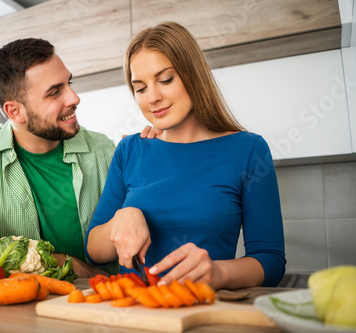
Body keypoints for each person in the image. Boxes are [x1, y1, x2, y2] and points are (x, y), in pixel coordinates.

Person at [85, 22, 286, 289]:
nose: (152, 97)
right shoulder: (130, 149)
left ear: (193, 75)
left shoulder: (248, 150)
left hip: (202, 312)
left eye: (165, 80)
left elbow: (270, 261)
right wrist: (122, 217)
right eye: (140, 87)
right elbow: (93, 252)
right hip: (130, 314)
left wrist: (219, 273)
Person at [0, 38, 156, 277]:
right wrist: (71, 265)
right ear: (15, 111)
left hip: (101, 300)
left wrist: (157, 152)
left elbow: (144, 222)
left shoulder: (104, 150)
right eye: (55, 92)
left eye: (69, 83)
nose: (74, 98)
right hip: (16, 308)